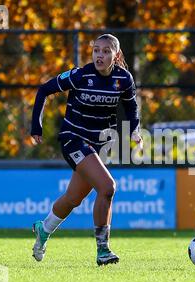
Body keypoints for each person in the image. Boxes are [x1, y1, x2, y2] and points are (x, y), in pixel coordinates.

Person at [30, 34, 141, 266]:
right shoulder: (81, 75)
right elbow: (44, 90)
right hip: (74, 139)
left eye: (105, 51)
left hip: (98, 145)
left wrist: (134, 130)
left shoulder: (123, 79)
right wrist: (36, 126)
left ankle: (44, 228)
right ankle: (103, 250)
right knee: (108, 187)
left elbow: (131, 106)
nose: (99, 55)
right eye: (96, 50)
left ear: (116, 55)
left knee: (73, 198)